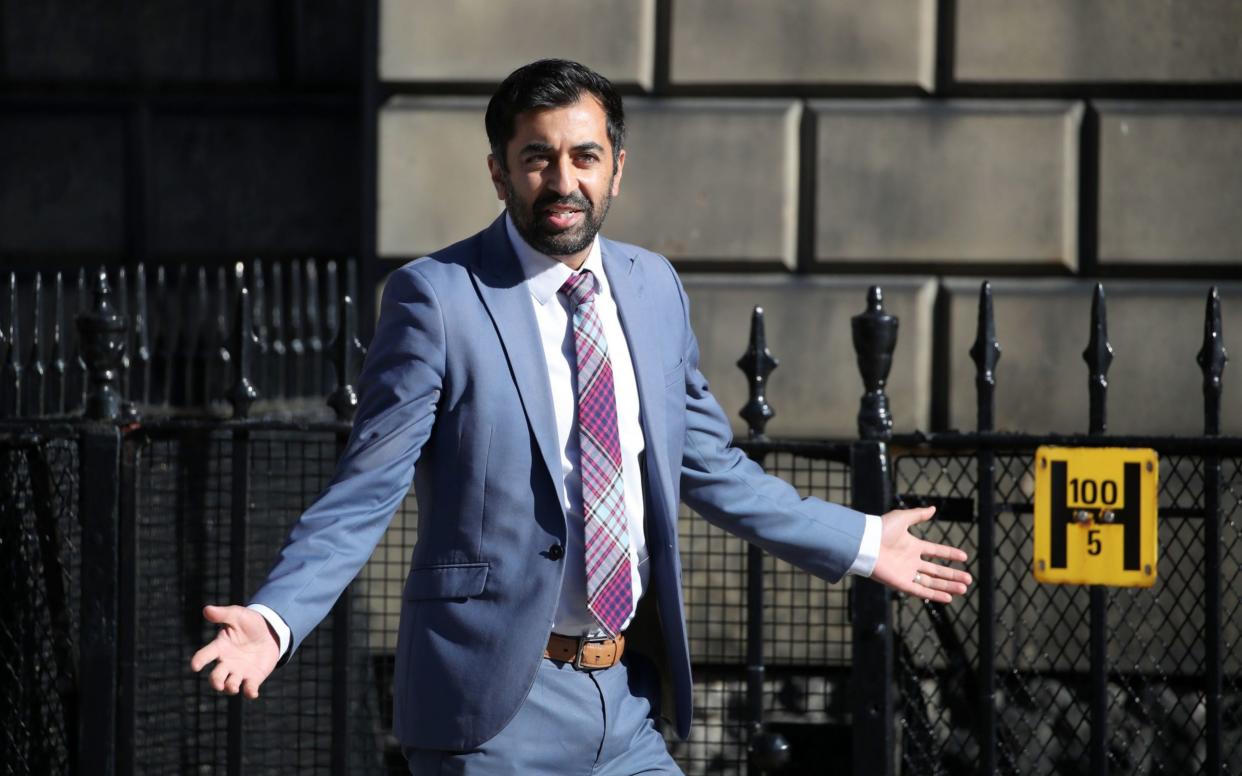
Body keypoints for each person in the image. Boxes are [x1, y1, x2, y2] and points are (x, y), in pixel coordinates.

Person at [190, 58, 971, 774]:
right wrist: (277, 617)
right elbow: (366, 490)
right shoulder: (438, 298)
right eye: (537, 158)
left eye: (584, 156)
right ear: (500, 174)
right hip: (492, 711)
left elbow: (710, 467)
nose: (563, 181)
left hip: (626, 704)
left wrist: (863, 539)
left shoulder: (653, 287)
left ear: (616, 169)